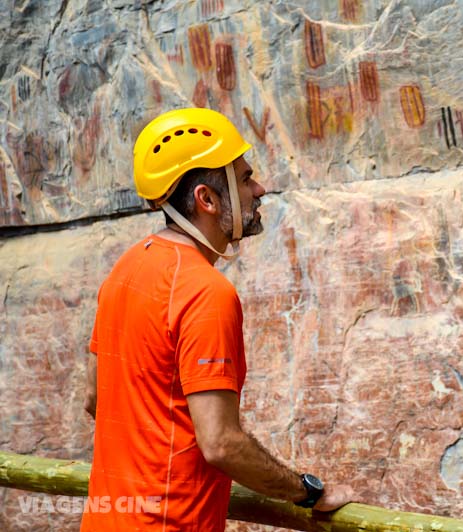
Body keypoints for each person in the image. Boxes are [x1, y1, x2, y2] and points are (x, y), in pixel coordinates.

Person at [81, 108, 353, 531]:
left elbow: (94, 399)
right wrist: (308, 491)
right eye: (244, 179)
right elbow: (221, 444)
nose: (259, 189)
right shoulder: (206, 292)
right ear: (206, 199)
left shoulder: (124, 270)